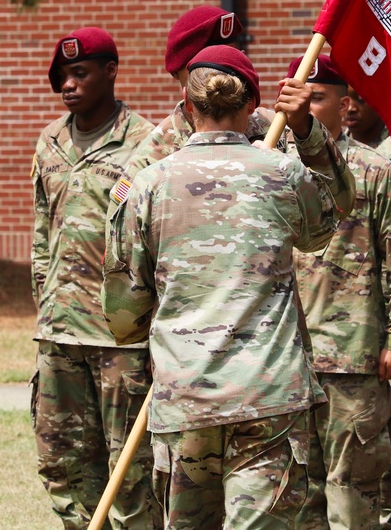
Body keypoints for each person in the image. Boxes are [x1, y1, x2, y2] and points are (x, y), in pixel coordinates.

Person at [102, 45, 355, 529]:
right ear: (253, 106)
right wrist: (307, 133)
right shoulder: (281, 172)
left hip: (187, 392)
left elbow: (122, 310)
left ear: (187, 103)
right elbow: (332, 214)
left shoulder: (149, 183)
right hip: (268, 393)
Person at [30, 27, 159, 529]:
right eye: (62, 76)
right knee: (61, 461)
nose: (68, 84)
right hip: (59, 332)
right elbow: (43, 231)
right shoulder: (50, 141)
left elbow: (155, 237)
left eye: (79, 73)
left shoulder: (146, 143)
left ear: (110, 71)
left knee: (128, 470)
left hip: (119, 336)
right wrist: (44, 301)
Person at [286, 55, 391, 530]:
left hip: (354, 357)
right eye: (299, 99)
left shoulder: (375, 172)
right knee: (298, 491)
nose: (307, 109)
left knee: (353, 489)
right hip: (289, 357)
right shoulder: (275, 167)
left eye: (317, 99)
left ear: (345, 104)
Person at [122, 5, 274, 179]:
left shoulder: (273, 127)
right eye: (208, 65)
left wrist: (304, 132)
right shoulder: (155, 153)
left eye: (232, 59)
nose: (222, 75)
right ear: (177, 72)